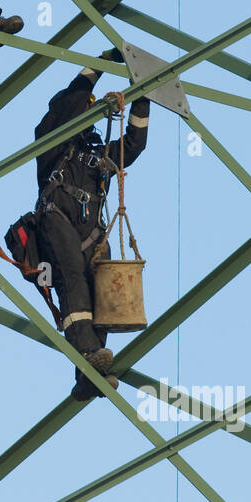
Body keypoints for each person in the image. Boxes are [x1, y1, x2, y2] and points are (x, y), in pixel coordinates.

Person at [33, 51, 151, 401]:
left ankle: (89, 372)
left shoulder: (97, 149)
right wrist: (99, 66)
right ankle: (86, 356)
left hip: (93, 228)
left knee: (100, 296)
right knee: (72, 279)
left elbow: (135, 143)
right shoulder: (50, 136)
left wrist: (141, 94)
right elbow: (70, 101)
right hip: (56, 217)